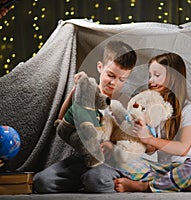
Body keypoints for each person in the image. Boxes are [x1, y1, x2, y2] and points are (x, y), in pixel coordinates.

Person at [33, 40, 137, 193]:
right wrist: (76, 89)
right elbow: (62, 121)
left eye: (122, 79)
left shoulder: (125, 102)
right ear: (100, 67)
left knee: (95, 178)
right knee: (42, 181)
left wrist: (113, 146)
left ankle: (97, 182)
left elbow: (130, 140)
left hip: (110, 161)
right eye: (110, 75)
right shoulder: (88, 92)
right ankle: (85, 183)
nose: (114, 83)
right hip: (83, 158)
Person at [113, 52, 191, 192]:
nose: (151, 81)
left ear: (174, 78)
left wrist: (149, 138)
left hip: (188, 166)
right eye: (150, 75)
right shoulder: (153, 111)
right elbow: (150, 150)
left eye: (157, 75)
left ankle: (146, 186)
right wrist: (137, 132)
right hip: (162, 169)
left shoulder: (189, 110)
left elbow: (183, 149)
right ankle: (174, 184)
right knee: (116, 156)